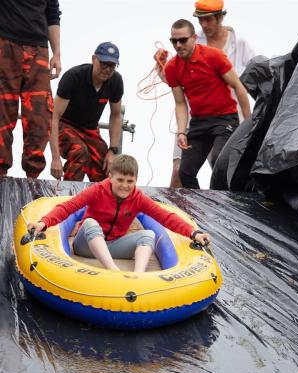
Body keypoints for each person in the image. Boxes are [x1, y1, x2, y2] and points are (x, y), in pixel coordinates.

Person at [28, 154, 210, 273]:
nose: (125, 185)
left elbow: (165, 217)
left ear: (136, 180)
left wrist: (193, 233)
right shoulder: (97, 191)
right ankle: (113, 271)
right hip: (86, 245)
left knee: (149, 234)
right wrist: (43, 223)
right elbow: (68, 207)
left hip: (114, 245)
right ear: (110, 177)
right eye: (120, 180)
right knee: (91, 223)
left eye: (130, 181)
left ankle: (137, 276)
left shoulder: (138, 198)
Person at [155, 0, 255, 188]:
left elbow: (239, 86)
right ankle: (199, 213)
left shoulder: (219, 53)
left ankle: (224, 208)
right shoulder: (174, 66)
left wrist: (248, 124)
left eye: (208, 19)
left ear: (219, 17)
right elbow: (180, 103)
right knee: (183, 171)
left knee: (221, 162)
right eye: (173, 41)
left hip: (226, 118)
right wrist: (181, 132)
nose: (178, 45)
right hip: (198, 120)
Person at [0, 0, 61, 178]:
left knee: (39, 116)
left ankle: (33, 177)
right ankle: (1, 175)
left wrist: (57, 53)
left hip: (39, 48)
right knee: (3, 114)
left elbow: (52, 14)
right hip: (5, 44)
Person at [50, 42, 124, 182]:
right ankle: (70, 197)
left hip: (90, 129)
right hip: (64, 124)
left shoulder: (116, 81)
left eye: (112, 65)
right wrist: (55, 158)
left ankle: (101, 201)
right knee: (79, 151)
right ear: (94, 59)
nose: (107, 69)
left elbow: (115, 115)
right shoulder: (74, 77)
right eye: (104, 63)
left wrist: (112, 150)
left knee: (107, 164)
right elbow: (53, 116)